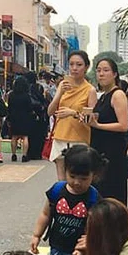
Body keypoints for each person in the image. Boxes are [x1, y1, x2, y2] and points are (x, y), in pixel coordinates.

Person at [47, 51, 97, 181]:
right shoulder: (63, 85)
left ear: (86, 67)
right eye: (71, 64)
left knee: (78, 181)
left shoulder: (90, 90)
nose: (74, 68)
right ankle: (60, 202)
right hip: (60, 137)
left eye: (79, 64)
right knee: (62, 182)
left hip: (79, 139)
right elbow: (50, 112)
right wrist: (59, 93)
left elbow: (91, 120)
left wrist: (73, 113)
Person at [90, 58, 128, 204]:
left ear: (114, 74)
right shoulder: (103, 96)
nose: (101, 74)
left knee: (111, 195)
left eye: (106, 70)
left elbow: (123, 125)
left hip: (112, 152)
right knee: (99, 193)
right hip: (99, 150)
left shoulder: (117, 95)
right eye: (99, 70)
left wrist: (98, 125)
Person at [7, 75, 34, 162]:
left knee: (14, 137)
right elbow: (30, 108)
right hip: (25, 118)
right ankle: (24, 155)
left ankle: (13, 155)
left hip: (14, 117)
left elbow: (9, 107)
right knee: (25, 137)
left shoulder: (11, 95)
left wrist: (9, 119)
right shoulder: (26, 96)